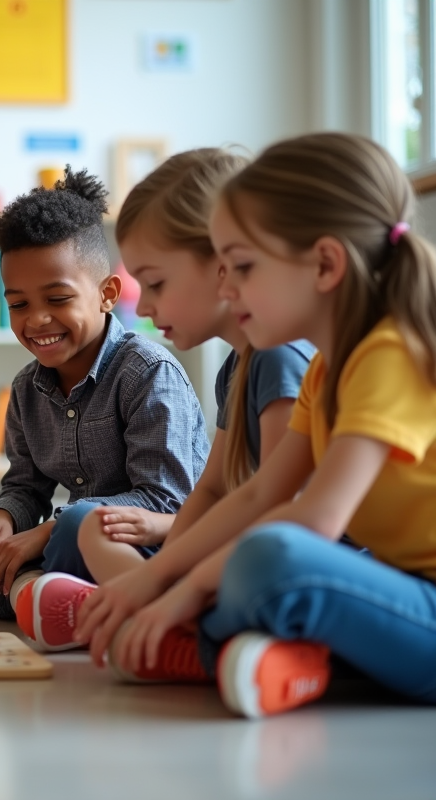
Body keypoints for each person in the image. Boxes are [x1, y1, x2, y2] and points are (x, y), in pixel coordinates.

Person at [75, 132, 436, 719]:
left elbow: (313, 519)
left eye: (242, 266)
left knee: (270, 559)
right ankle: (264, 654)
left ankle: (228, 649)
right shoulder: (325, 370)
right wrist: (158, 581)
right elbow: (261, 493)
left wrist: (183, 588)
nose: (228, 285)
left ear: (324, 264)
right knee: (250, 560)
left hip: (419, 607)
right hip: (399, 592)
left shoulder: (387, 354)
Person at [0, 167, 209, 650]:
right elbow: (26, 486)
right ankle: (32, 591)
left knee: (74, 524)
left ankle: (7, 591)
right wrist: (1, 523)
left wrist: (50, 531)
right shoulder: (27, 388)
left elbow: (166, 500)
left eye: (58, 298)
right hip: (63, 538)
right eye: (18, 304)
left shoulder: (147, 372)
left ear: (107, 294)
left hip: (142, 546)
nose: (37, 319)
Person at [22, 150, 314, 652]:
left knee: (248, 563)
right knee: (91, 528)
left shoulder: (276, 357)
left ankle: (156, 629)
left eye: (155, 283)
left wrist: (166, 580)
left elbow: (274, 504)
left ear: (223, 265)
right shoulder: (238, 367)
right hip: (237, 543)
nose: (148, 306)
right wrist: (161, 578)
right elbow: (216, 491)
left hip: (288, 553)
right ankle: (144, 618)